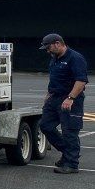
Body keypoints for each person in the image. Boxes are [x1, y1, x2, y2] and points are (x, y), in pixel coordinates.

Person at [37, 33, 88, 174]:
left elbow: (81, 81)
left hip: (71, 99)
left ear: (58, 43)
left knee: (69, 131)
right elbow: (54, 78)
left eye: (48, 48)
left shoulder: (75, 58)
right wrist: (48, 95)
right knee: (45, 126)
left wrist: (70, 98)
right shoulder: (54, 59)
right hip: (54, 98)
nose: (47, 51)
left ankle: (72, 164)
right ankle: (67, 154)